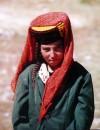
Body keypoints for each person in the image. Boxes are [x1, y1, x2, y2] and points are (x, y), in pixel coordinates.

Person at [11, 12, 95, 130]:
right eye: (46, 49)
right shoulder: (28, 76)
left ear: (65, 46)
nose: (52, 55)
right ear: (39, 49)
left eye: (58, 48)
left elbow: (82, 121)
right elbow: (19, 119)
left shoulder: (81, 77)